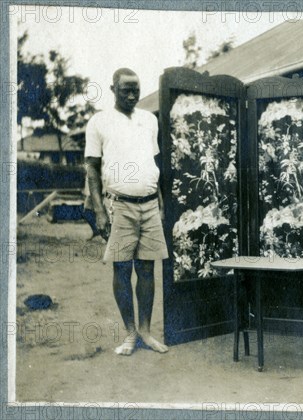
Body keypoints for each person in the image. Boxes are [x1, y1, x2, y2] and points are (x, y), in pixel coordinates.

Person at [85, 68, 169, 355]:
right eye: (125, 90)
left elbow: (155, 162)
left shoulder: (149, 120)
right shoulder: (99, 122)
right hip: (118, 205)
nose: (132, 95)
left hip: (149, 205)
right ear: (113, 90)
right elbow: (92, 169)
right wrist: (99, 211)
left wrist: (161, 204)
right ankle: (130, 334)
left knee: (147, 270)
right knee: (121, 270)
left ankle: (145, 331)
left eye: (136, 89)